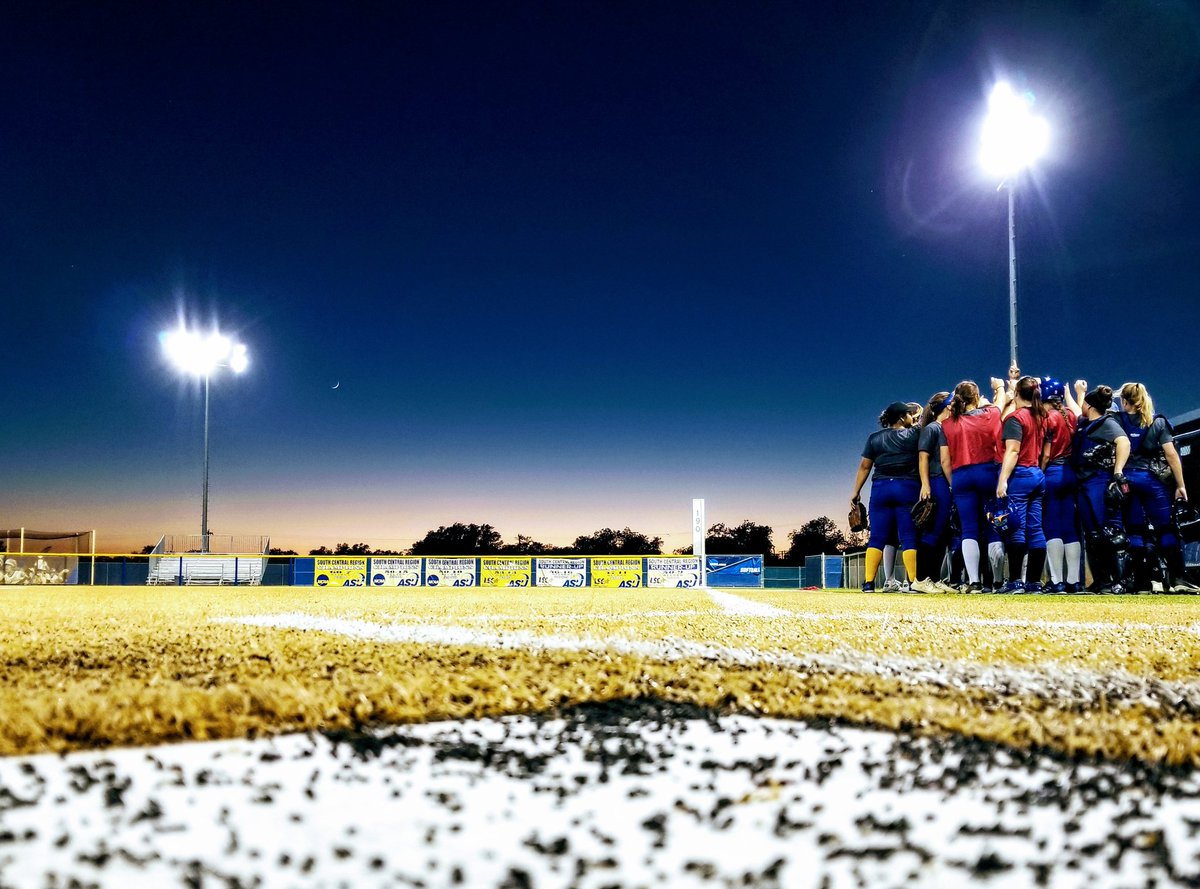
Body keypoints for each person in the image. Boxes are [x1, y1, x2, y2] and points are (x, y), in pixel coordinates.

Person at [1113, 382, 1199, 593]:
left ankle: (1144, 581)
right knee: (1165, 528)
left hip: (1127, 479)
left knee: (1134, 530)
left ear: (1124, 401)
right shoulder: (1157, 422)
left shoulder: (1117, 421)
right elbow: (1171, 455)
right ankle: (1178, 578)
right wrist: (1180, 485)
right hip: (1152, 480)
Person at [941, 378, 1007, 592]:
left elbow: (945, 461)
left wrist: (954, 483)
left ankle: (974, 582)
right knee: (992, 527)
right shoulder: (990, 414)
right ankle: (997, 581)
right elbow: (1002, 401)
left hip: (961, 475)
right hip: (987, 472)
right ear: (976, 397)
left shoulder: (948, 423)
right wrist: (999, 387)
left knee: (968, 529)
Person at [851, 401, 922, 593]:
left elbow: (865, 467)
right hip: (907, 486)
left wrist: (856, 491)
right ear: (901, 417)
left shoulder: (874, 438)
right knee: (908, 536)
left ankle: (868, 583)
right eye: (908, 414)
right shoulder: (914, 434)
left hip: (881, 488)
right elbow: (923, 421)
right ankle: (914, 583)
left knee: (877, 538)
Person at [1072, 382, 1130, 593]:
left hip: (1099, 480)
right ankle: (1102, 581)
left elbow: (1123, 442)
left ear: (1090, 405)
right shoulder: (1086, 423)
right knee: (1093, 534)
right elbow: (1082, 407)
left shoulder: (1107, 422)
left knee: (1111, 532)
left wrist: (1118, 471)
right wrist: (1078, 393)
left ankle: (1120, 582)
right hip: (1084, 482)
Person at [996, 376, 1049, 592]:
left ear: (1017, 393)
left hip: (1020, 475)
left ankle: (1015, 581)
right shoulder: (1041, 416)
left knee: (1016, 529)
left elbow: (1013, 450)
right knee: (1035, 529)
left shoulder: (1015, 419)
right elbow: (1045, 451)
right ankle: (1034, 582)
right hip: (1037, 474)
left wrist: (1002, 479)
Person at [1039, 378, 1083, 592]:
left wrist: (1040, 469)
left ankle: (1057, 581)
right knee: (1070, 528)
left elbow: (1046, 453)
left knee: (1052, 526)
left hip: (1053, 473)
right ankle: (1074, 581)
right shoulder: (1071, 415)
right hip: (1070, 473)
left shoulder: (1048, 417)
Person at [910, 391, 957, 594]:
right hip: (936, 481)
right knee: (932, 531)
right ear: (946, 407)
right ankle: (920, 579)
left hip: (942, 482)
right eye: (952, 403)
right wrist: (925, 484)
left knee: (942, 533)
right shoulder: (931, 428)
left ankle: (935, 578)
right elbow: (923, 459)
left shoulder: (944, 427)